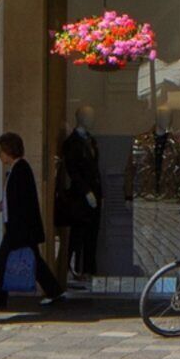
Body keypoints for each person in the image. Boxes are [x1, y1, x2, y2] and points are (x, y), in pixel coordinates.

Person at [0, 131, 59, 310]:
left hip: (20, 228)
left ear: (8, 150)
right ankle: (54, 290)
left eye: (1, 151)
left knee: (4, 256)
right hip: (22, 228)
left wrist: (9, 224)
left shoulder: (20, 170)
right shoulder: (17, 170)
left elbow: (18, 202)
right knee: (34, 260)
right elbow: (8, 200)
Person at [55, 109, 105, 284]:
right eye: (89, 116)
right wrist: (85, 191)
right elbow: (72, 170)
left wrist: (100, 194)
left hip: (94, 195)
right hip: (79, 197)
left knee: (92, 234)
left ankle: (89, 271)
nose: (92, 119)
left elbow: (95, 170)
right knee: (78, 235)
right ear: (80, 118)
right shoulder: (72, 143)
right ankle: (73, 271)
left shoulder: (91, 140)